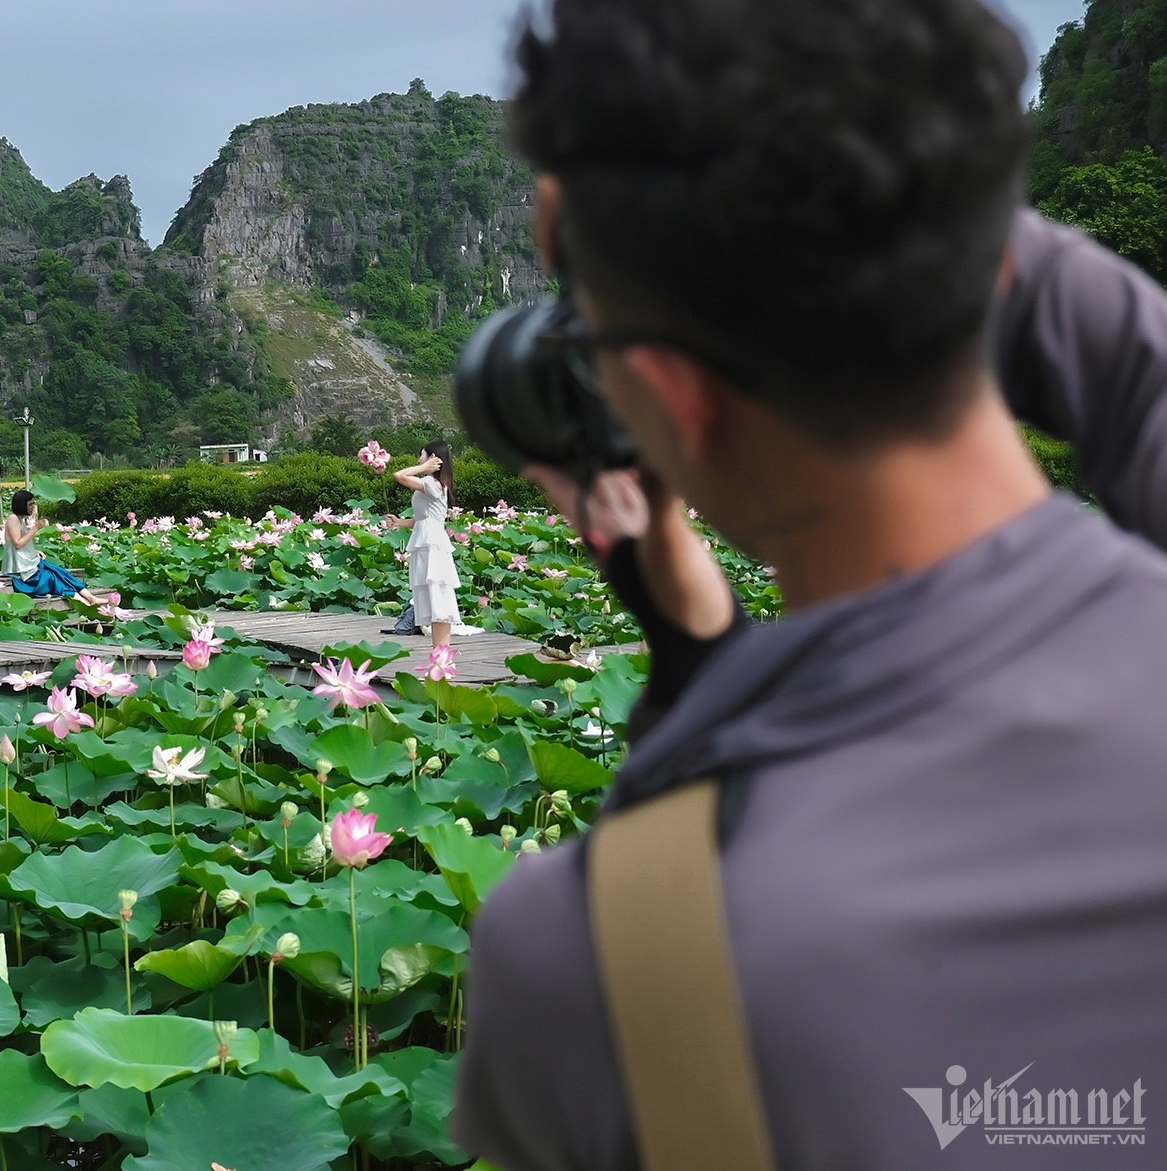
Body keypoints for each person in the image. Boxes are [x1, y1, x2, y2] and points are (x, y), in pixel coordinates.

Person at [452, 2, 1167, 1169]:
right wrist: (917, 193)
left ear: (673, 399)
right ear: (999, 270)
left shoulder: (595, 957)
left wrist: (693, 661)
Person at [392, 441, 461, 648]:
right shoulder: (432, 484)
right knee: (434, 601)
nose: (418, 459)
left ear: (432, 458)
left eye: (421, 455)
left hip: (432, 545)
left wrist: (424, 467)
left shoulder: (433, 484)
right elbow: (423, 519)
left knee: (438, 599)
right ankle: (439, 656)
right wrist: (399, 522)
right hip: (427, 541)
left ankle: (442, 656)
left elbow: (399, 475)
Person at [2, 489, 115, 608]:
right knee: (52, 577)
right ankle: (85, 604)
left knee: (59, 571)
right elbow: (17, 544)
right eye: (30, 504)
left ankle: (91, 598)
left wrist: (34, 551)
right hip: (19, 571)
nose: (33, 507)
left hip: (27, 563)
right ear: (21, 505)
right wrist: (35, 528)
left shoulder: (21, 519)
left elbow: (17, 546)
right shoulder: (13, 519)